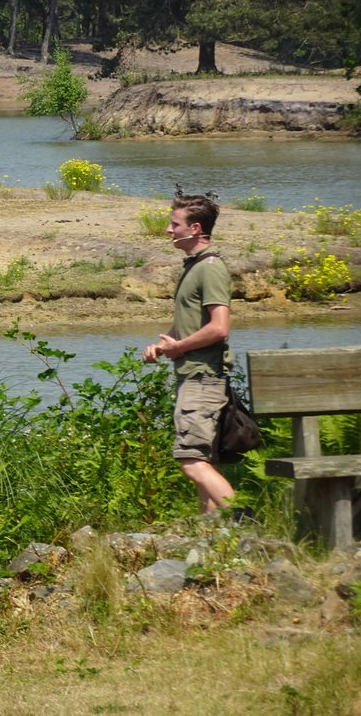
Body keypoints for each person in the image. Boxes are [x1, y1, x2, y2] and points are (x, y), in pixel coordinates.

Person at [143, 194, 236, 514]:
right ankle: (211, 540)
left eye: (174, 224)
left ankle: (241, 523)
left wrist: (178, 347)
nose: (168, 230)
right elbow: (192, 323)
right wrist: (162, 344)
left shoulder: (210, 268)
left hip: (203, 378)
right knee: (203, 463)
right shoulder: (194, 266)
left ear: (195, 228)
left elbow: (219, 328)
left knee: (191, 461)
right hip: (194, 376)